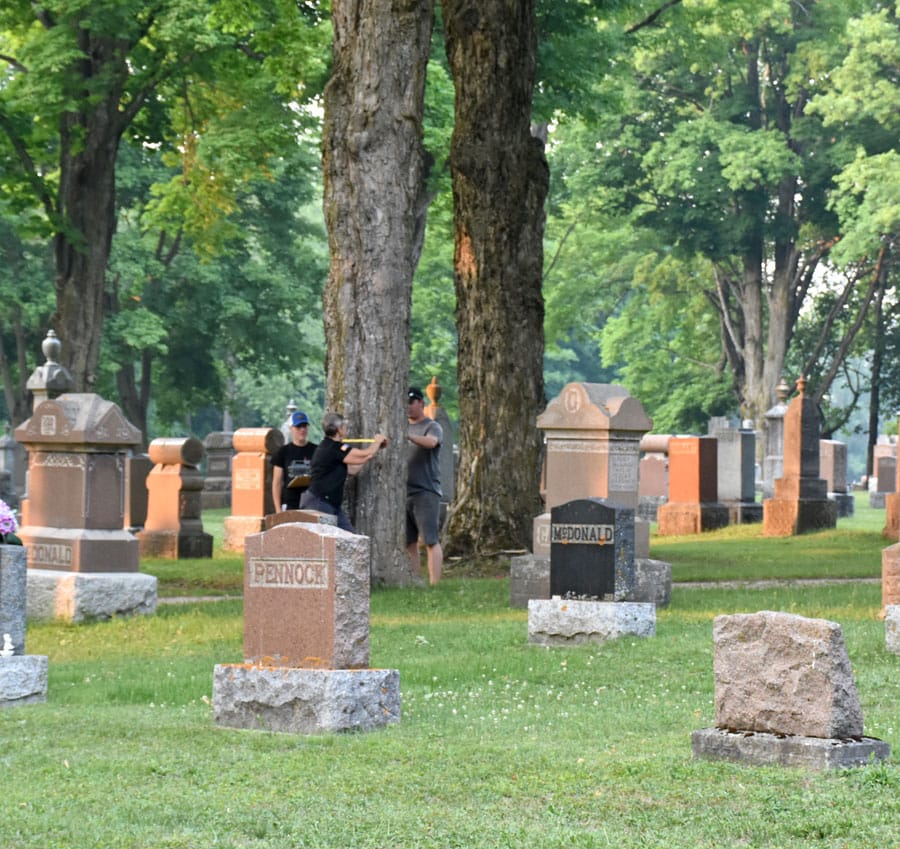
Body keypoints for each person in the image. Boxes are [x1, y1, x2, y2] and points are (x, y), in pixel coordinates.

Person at [299, 412, 387, 532]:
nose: (346, 429)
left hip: (332, 504)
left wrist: (373, 452)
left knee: (352, 539)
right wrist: (377, 441)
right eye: (344, 426)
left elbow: (353, 469)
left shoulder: (335, 449)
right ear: (338, 429)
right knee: (324, 540)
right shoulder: (332, 447)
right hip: (319, 503)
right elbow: (365, 453)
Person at [406, 386, 443, 584]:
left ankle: (435, 583)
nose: (408, 407)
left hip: (425, 491)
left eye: (411, 402)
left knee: (430, 540)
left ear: (421, 403)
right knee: (409, 542)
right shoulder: (401, 425)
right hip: (404, 492)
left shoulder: (432, 426)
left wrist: (410, 437)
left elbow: (431, 442)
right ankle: (415, 581)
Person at [270, 411, 318, 513]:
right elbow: (277, 483)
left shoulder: (316, 450)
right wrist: (278, 509)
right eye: (298, 427)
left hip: (311, 502)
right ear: (291, 428)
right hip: (290, 502)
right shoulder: (283, 452)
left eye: (304, 426)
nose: (302, 430)